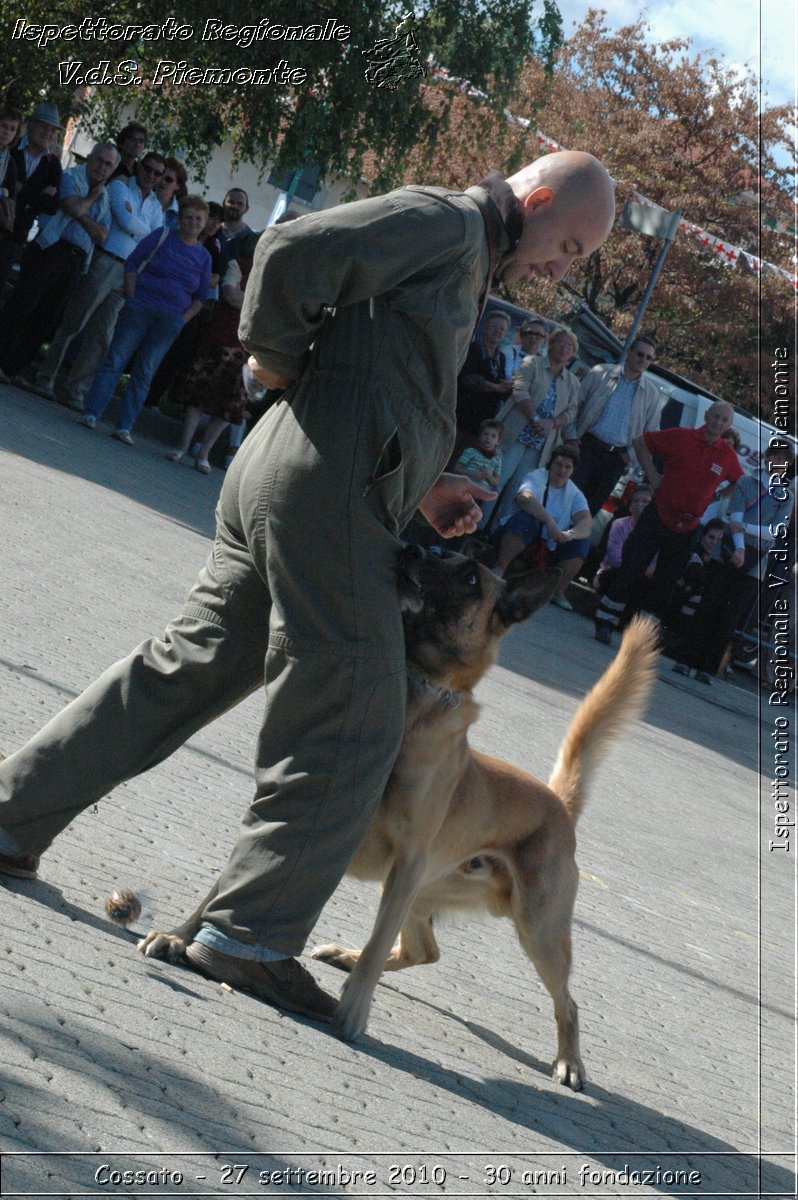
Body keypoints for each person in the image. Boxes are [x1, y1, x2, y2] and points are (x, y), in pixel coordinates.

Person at [0, 150, 616, 1021]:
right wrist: (280, 366)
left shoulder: (467, 254)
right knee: (361, 713)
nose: (564, 268)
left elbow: (382, 374)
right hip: (323, 490)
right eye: (573, 246)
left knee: (190, 664)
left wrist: (426, 484)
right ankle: (248, 936)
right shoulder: (447, 223)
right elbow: (293, 253)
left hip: (301, 480)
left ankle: (11, 818)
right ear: (541, 200)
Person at [20, 152, 165, 406]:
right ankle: (45, 377)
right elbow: (124, 220)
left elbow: (154, 239)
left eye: (157, 173)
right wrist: (138, 227)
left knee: (102, 334)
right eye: (148, 168)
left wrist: (135, 225)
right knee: (74, 322)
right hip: (105, 260)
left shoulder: (155, 206)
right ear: (140, 166)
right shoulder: (120, 186)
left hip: (128, 271)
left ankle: (74, 389)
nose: (151, 175)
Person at [593, 401, 745, 644]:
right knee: (631, 567)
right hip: (658, 515)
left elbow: (741, 483)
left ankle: (639, 638)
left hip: (687, 528)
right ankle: (605, 621)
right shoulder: (681, 436)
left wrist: (716, 495)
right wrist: (652, 476)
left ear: (729, 425)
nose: (718, 422)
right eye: (715, 416)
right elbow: (640, 442)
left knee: (665, 584)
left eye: (724, 420)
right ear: (706, 415)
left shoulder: (727, 455)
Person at [78, 195, 211, 443]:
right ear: (180, 219)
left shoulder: (204, 257)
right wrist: (131, 297)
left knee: (144, 372)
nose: (193, 222)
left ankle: (124, 426)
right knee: (115, 360)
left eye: (198, 218)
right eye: (189, 217)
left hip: (170, 319)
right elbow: (133, 262)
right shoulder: (162, 235)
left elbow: (201, 297)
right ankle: (91, 412)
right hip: (141, 307)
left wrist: (182, 320)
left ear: (204, 223)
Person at [676, 444, 796, 684]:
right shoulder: (745, 482)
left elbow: (775, 530)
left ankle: (708, 668)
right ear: (766, 458)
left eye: (785, 462)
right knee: (708, 607)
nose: (779, 465)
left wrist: (746, 531)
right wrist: (739, 547)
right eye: (776, 458)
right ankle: (686, 659)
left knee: (730, 617)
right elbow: (734, 516)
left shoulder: (787, 496)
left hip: (755, 564)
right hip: (728, 553)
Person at [0, 143, 118, 377]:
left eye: (108, 164)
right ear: (90, 158)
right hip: (50, 248)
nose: (102, 167)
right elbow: (72, 208)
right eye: (99, 160)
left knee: (48, 315)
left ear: (113, 169)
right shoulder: (71, 177)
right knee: (24, 304)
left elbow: (102, 235)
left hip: (75, 259)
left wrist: (83, 210)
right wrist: (88, 201)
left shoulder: (105, 197)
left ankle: (14, 369)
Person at [165, 228, 258, 473]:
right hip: (219, 338)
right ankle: (183, 446)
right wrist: (256, 305)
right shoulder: (238, 265)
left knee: (229, 406)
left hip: (246, 348)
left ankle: (204, 454)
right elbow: (229, 295)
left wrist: (247, 301)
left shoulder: (273, 278)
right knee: (198, 394)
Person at [486, 324, 580, 528]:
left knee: (519, 492)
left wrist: (552, 423)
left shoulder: (573, 382)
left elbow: (572, 411)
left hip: (540, 445)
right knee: (496, 481)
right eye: (561, 343)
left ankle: (495, 534)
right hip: (514, 435)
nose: (564, 349)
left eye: (569, 346)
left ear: (573, 353)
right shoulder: (532, 363)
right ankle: (475, 529)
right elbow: (519, 391)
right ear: (551, 343)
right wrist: (536, 419)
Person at [568, 336, 661, 514]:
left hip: (616, 459)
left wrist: (629, 456)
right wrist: (572, 439)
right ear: (629, 352)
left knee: (589, 510)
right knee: (567, 500)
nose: (643, 360)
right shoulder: (600, 373)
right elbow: (574, 406)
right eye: (640, 354)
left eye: (649, 358)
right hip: (586, 448)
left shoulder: (651, 394)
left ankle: (570, 541)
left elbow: (652, 435)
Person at [494, 445, 592, 597]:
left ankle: (558, 592)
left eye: (568, 467)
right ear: (550, 464)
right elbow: (524, 498)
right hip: (520, 534)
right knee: (523, 520)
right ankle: (499, 570)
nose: (562, 470)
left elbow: (586, 522)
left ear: (573, 471)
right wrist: (549, 521)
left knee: (582, 542)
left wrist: (570, 534)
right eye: (558, 464)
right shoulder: (536, 476)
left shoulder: (575, 493)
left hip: (550, 544)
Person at [0, 101, 62, 302]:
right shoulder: (11, 148)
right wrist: (39, 195)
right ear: (31, 124)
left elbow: (52, 206)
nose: (49, 133)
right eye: (45, 126)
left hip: (15, 235)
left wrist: (22, 189)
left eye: (53, 130)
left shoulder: (52, 164)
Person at [667, 519, 727, 679]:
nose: (713, 543)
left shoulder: (719, 565)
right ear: (703, 536)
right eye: (711, 537)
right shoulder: (692, 553)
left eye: (718, 540)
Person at [455, 309, 513, 437]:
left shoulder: (501, 357)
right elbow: (468, 379)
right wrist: (496, 387)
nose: (498, 331)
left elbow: (499, 383)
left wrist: (507, 387)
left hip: (483, 424)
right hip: (462, 414)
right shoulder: (472, 349)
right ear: (485, 327)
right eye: (494, 326)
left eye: (502, 329)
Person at [592, 483, 654, 591]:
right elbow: (615, 559)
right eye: (636, 500)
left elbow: (655, 565)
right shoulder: (619, 525)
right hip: (613, 572)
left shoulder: (656, 532)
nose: (639, 504)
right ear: (630, 505)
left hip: (640, 577)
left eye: (645, 501)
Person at [454, 418, 503, 488]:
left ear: (498, 441)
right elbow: (456, 469)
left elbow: (495, 483)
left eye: (493, 436)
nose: (488, 438)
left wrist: (490, 477)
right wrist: (471, 473)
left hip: (480, 494)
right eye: (485, 434)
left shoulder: (497, 460)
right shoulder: (470, 451)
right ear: (480, 436)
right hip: (464, 488)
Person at [218, 187, 254, 274]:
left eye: (240, 203)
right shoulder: (211, 229)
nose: (234, 206)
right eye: (231, 202)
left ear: (246, 208)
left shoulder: (251, 239)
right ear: (223, 203)